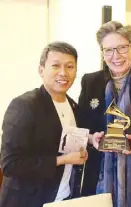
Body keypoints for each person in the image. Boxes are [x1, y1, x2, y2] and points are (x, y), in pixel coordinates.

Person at [77, 21, 131, 207]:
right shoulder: (90, 82)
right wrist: (93, 138)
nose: (115, 56)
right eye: (108, 50)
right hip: (99, 179)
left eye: (122, 48)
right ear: (102, 53)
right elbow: (81, 126)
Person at [0, 41, 88, 207]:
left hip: (64, 198)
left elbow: (63, 140)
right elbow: (10, 164)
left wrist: (89, 141)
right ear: (41, 70)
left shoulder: (74, 106)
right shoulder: (24, 105)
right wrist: (61, 160)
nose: (63, 73)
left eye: (70, 67)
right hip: (28, 201)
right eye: (56, 66)